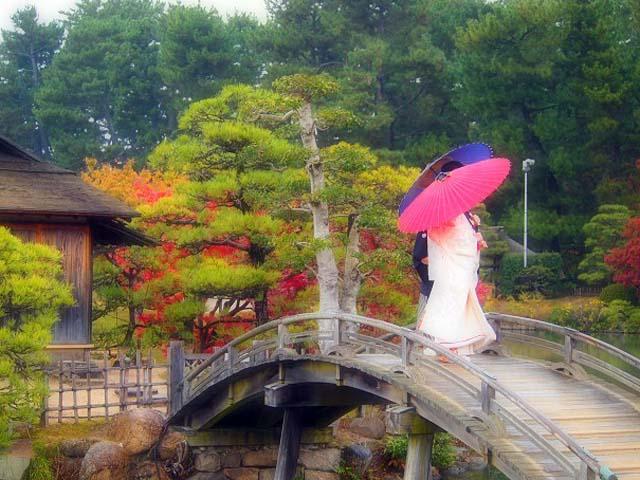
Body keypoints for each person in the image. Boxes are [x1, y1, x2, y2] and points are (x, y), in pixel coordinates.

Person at [417, 161, 495, 359]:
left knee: (457, 307)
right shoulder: (442, 210)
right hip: (452, 266)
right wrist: (470, 240)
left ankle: (454, 348)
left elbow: (463, 238)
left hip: (460, 266)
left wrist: (475, 240)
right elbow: (447, 239)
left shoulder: (462, 211)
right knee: (450, 306)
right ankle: (446, 348)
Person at [412, 231, 433, 320]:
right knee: (425, 319)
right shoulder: (426, 230)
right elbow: (418, 256)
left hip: (451, 284)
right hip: (430, 283)